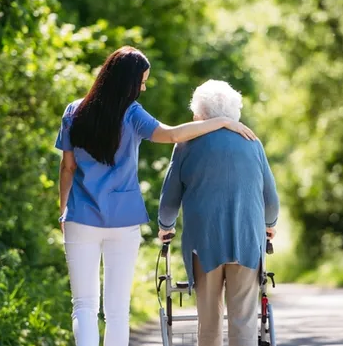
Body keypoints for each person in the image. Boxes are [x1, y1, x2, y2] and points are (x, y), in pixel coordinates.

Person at [54, 47, 257, 346]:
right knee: (117, 310)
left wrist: (64, 211)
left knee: (83, 304)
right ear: (127, 82)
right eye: (142, 81)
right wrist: (223, 121)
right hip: (123, 221)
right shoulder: (132, 114)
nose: (144, 87)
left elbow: (67, 168)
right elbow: (173, 135)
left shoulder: (74, 112)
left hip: (80, 218)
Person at [157, 79, 280, 346]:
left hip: (205, 243)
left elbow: (169, 200)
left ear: (200, 113)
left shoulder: (186, 145)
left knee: (209, 319)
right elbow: (270, 199)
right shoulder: (252, 143)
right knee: (244, 320)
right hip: (247, 241)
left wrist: (165, 227)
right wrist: (270, 224)